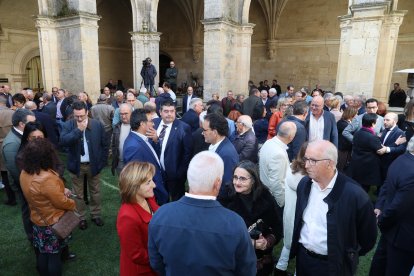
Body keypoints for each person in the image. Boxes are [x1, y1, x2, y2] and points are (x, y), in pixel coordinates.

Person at [148, 151, 257, 275]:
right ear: (217, 183)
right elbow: (247, 270)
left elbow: (157, 263)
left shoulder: (160, 215)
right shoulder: (234, 224)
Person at [290, 140, 377, 275]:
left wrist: (348, 254)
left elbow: (368, 238)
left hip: (333, 266)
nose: (306, 165)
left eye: (313, 160)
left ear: (329, 163)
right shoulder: (304, 184)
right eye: (306, 159)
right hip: (303, 259)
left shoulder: (355, 195)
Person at [20, 138, 76, 276]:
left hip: (38, 220)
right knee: (54, 256)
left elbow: (40, 194)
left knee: (43, 253)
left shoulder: (24, 173)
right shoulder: (46, 178)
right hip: (52, 222)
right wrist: (72, 203)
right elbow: (60, 202)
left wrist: (59, 191)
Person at [219, 161, 282, 276]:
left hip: (260, 262)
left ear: (253, 180)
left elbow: (278, 225)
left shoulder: (265, 197)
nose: (237, 182)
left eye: (243, 179)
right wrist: (251, 243)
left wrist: (268, 241)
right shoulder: (225, 198)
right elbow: (219, 233)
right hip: (233, 261)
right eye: (235, 177)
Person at [59, 101, 109, 230]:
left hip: (94, 165)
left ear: (87, 112)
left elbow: (105, 145)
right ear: (73, 114)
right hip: (77, 166)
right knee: (78, 194)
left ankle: (95, 215)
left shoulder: (97, 125)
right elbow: (63, 141)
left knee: (95, 192)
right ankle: (81, 217)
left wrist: (102, 162)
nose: (79, 118)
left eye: (82, 115)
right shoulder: (68, 125)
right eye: (77, 116)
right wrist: (78, 130)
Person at [369, 137, 414, 276]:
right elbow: (399, 206)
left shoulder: (400, 159)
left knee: (379, 266)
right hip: (404, 236)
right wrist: (382, 219)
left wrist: (380, 207)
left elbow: (386, 185)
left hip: (391, 229)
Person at [116, 161, 159, 276]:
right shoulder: (127, 217)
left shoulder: (148, 198)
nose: (154, 185)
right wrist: (162, 256)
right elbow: (137, 255)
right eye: (148, 182)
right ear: (134, 186)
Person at [123, 108, 168, 205]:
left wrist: (156, 140)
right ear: (142, 124)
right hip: (151, 195)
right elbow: (137, 180)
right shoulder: (133, 147)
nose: (153, 124)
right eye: (151, 121)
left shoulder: (143, 138)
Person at [2, 109, 36, 239]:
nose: (35, 124)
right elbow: (15, 171)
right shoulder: (12, 144)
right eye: (32, 122)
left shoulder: (21, 136)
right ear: (22, 124)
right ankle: (31, 236)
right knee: (28, 210)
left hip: (29, 183)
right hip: (24, 186)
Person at [275, 143, 308, 276]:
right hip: (301, 217)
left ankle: (279, 270)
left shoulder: (291, 167)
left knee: (287, 245)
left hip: (289, 214)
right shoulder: (308, 179)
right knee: (301, 249)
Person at [153, 100, 193, 201]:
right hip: (155, 173)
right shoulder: (154, 123)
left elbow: (187, 154)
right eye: (166, 111)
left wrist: (180, 173)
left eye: (172, 111)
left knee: (177, 201)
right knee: (159, 200)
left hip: (175, 176)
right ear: (160, 112)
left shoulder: (184, 128)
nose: (169, 114)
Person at [259, 121, 296, 210]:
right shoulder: (279, 154)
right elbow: (277, 183)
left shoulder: (269, 142)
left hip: (265, 192)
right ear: (291, 137)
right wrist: (282, 203)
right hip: (274, 200)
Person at [347, 113, 385, 193]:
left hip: (356, 165)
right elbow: (380, 150)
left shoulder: (358, 133)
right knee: (363, 190)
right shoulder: (371, 137)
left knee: (357, 188)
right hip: (367, 168)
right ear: (373, 123)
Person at [202, 113, 239, 194]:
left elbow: (227, 188)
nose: (202, 133)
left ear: (215, 132)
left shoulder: (226, 155)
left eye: (204, 130)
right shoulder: (215, 145)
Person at [0, 95, 15, 205]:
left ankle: (11, 198)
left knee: (4, 172)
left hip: (2, 146)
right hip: (15, 144)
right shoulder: (13, 113)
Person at [111, 104, 132, 175]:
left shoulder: (137, 127)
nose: (123, 116)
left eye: (126, 113)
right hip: (120, 163)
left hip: (133, 164)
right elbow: (114, 145)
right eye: (121, 114)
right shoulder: (117, 127)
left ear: (131, 113)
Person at [337, 107, 358, 172]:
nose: (357, 115)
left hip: (345, 148)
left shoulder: (344, 122)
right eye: (356, 114)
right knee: (340, 167)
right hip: (342, 149)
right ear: (351, 114)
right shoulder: (343, 124)